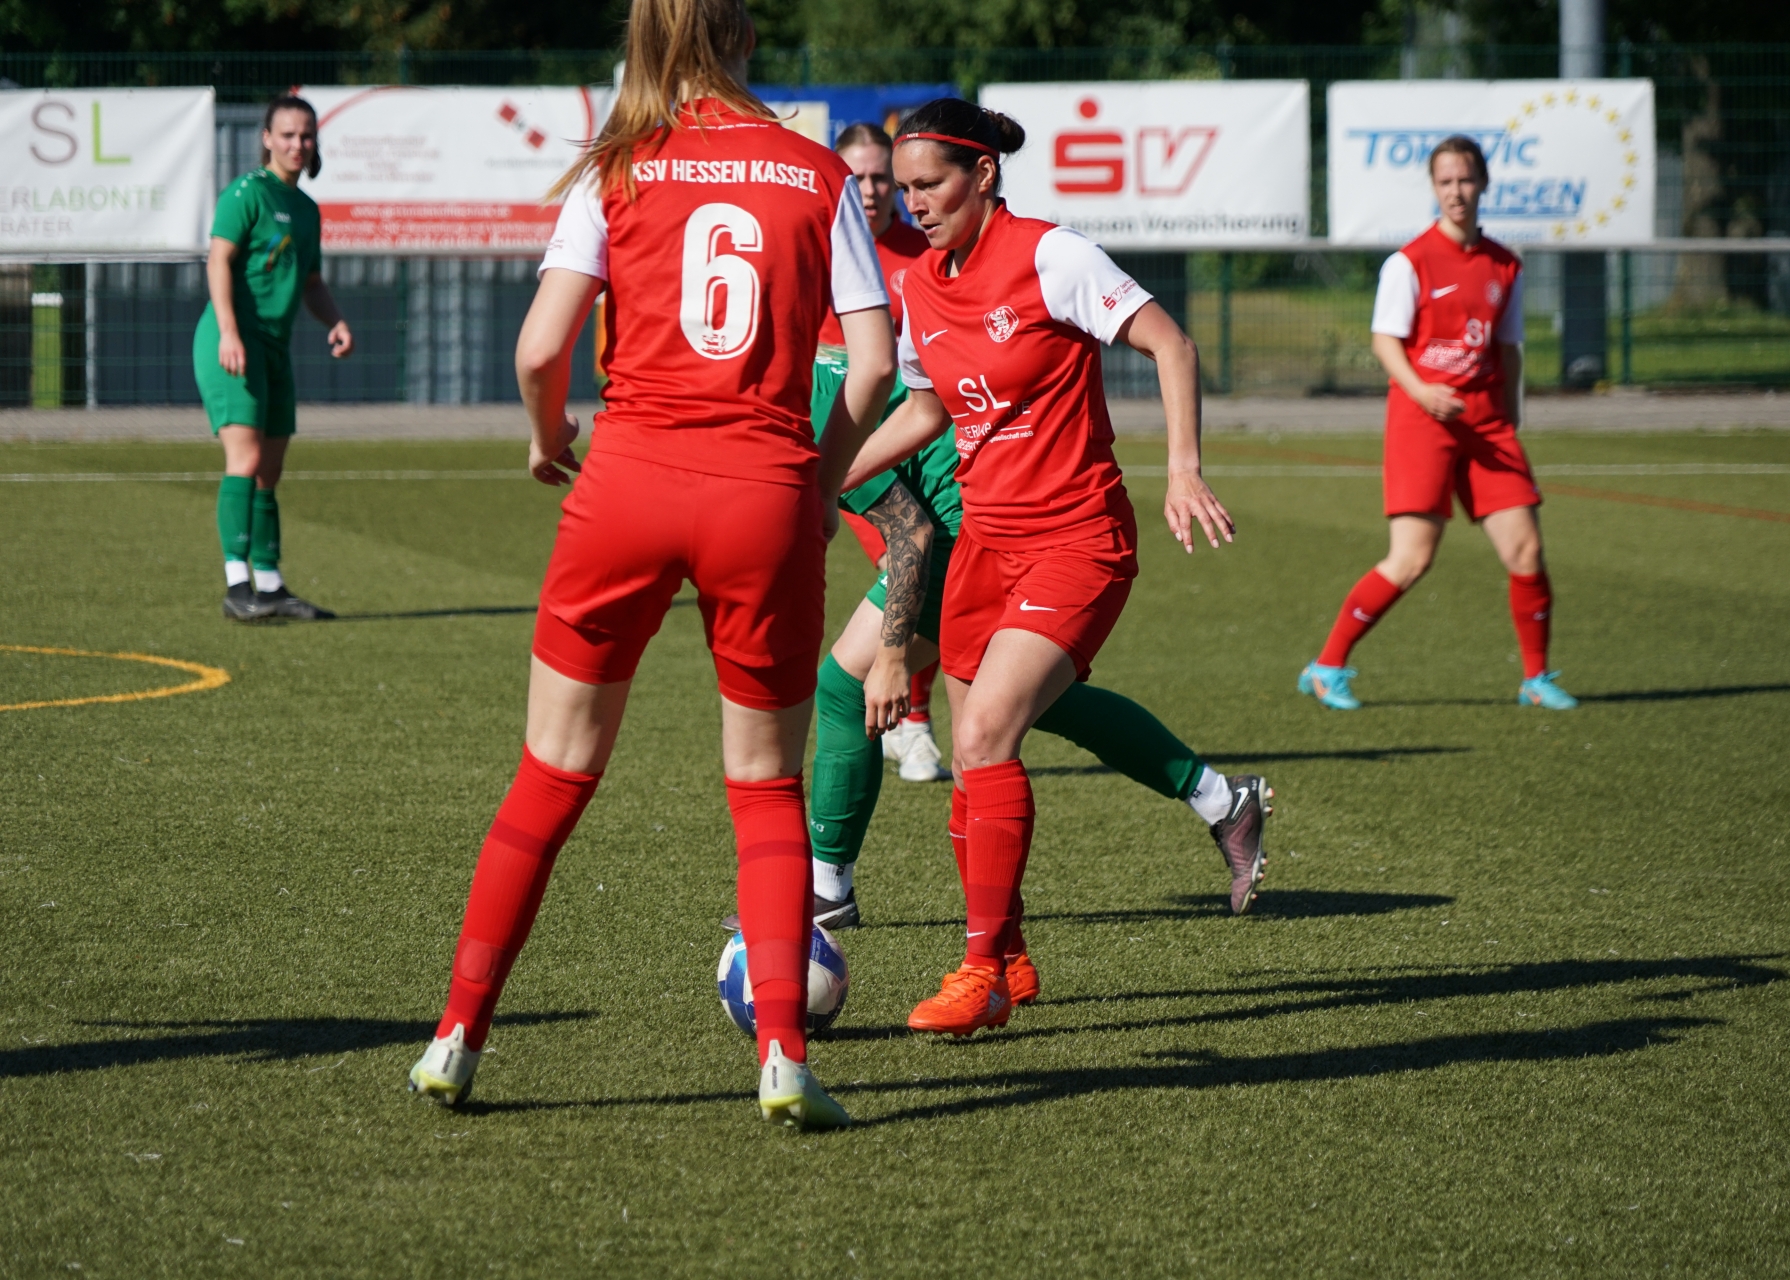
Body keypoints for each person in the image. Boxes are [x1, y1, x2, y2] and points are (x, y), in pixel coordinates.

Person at [405, 0, 895, 1131]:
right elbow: (872, 366)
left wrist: (547, 437)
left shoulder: (617, 164)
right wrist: (818, 487)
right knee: (765, 789)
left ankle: (456, 1038)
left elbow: (541, 349)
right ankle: (783, 1057)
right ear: (744, 39)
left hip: (624, 481)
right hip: (762, 494)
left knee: (550, 774)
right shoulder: (818, 172)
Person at [842, 98, 1238, 1037]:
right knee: (978, 755)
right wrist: (824, 477)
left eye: (931, 185)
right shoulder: (920, 285)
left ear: (983, 174)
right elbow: (926, 412)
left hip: (1078, 538)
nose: (915, 204)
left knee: (983, 734)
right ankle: (1011, 954)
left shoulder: (1053, 256)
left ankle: (979, 973)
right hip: (985, 544)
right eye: (905, 189)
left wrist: (1182, 467)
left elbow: (1171, 343)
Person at [727, 348, 1272, 938]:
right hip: (976, 521)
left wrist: (891, 658)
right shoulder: (796, 382)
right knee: (1032, 702)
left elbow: (911, 534)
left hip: (969, 533)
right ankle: (1220, 798)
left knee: (849, 686)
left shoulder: (805, 411)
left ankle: (829, 891)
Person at [1298, 134, 1576, 712]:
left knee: (1526, 551)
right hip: (1421, 420)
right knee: (1412, 559)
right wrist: (1423, 390)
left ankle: (1536, 679)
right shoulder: (1410, 262)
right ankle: (1327, 666)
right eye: (1446, 181)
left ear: (1484, 184)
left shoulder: (1505, 264)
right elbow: (1385, 341)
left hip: (1487, 424)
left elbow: (1509, 348)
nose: (1457, 191)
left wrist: (1511, 413)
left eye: (1466, 179)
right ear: (1433, 187)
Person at [814, 121, 949, 783]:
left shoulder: (925, 247)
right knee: (906, 562)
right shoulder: (822, 246)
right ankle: (907, 717)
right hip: (848, 427)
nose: (868, 190)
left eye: (878, 178)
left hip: (917, 431)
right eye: (856, 178)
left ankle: (912, 720)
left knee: (914, 561)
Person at [194, 95, 353, 622]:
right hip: (233, 341)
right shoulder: (246, 193)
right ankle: (236, 585)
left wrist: (335, 320)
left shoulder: (307, 210)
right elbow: (218, 261)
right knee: (244, 460)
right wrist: (229, 332)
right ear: (266, 138)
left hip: (275, 348)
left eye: (306, 136)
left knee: (270, 470)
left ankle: (270, 585)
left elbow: (311, 282)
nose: (297, 144)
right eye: (287, 135)